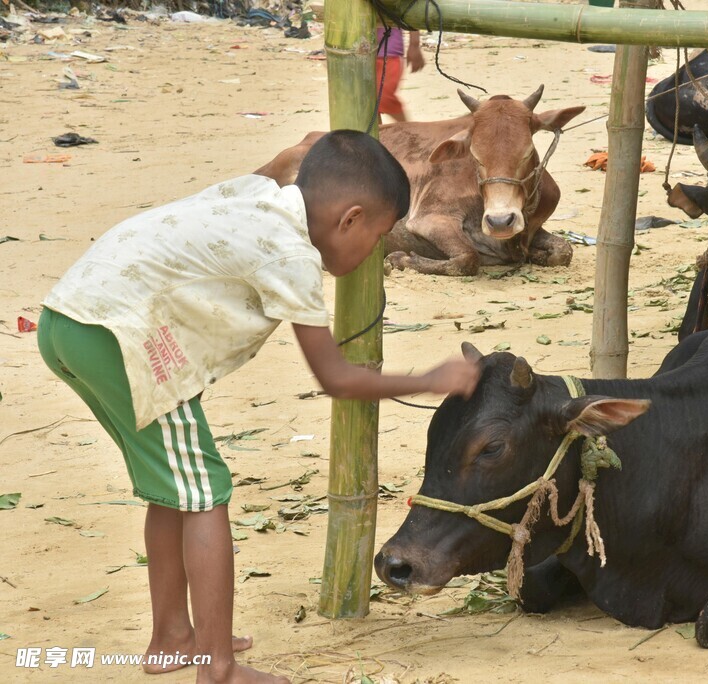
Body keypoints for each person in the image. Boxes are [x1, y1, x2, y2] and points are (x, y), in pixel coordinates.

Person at [36, 130, 480, 683]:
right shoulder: (293, 256)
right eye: (378, 235)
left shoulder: (257, 196)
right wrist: (431, 378)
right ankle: (219, 669)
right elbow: (336, 377)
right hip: (121, 338)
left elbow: (276, 166)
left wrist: (299, 153)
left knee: (174, 489)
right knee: (206, 495)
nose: (376, 250)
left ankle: (174, 637)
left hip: (66, 321)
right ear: (349, 219)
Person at [375, 26, 424, 122]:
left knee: (384, 97)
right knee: (367, 103)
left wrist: (414, 45)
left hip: (389, 53)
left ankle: (409, 130)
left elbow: (411, 13)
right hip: (357, 52)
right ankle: (377, 135)